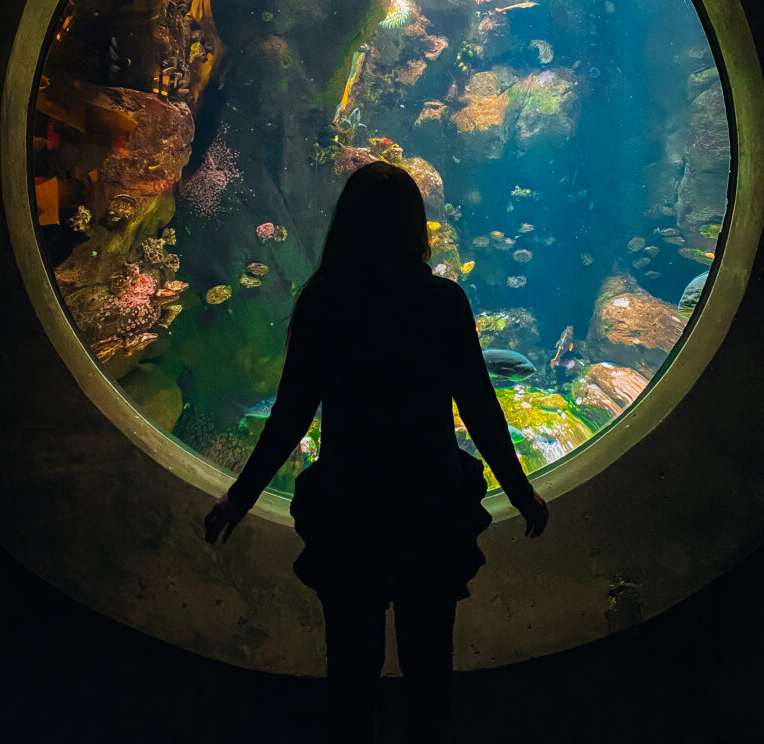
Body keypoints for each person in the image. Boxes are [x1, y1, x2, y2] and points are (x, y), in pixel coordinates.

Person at [204, 161, 548, 743]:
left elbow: (290, 417)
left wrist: (239, 497)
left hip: (349, 506)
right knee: (431, 667)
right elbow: (480, 410)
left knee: (350, 673)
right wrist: (521, 490)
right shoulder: (442, 301)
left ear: (346, 225)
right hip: (431, 504)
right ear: (416, 226)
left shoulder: (322, 303)